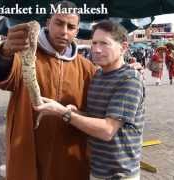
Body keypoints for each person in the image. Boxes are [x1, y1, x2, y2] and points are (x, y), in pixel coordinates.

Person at [0, 1, 96, 179]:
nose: (64, 31)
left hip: (68, 154)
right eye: (59, 23)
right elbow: (0, 79)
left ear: (77, 31)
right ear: (48, 23)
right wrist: (5, 53)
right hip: (27, 147)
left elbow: (96, 114)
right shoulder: (24, 54)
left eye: (71, 26)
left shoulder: (87, 69)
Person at [35, 20, 145, 180]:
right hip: (97, 169)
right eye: (94, 43)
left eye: (105, 43)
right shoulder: (98, 76)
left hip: (119, 174)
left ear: (124, 47)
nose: (97, 49)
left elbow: (107, 130)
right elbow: (99, 118)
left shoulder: (129, 80)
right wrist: (78, 112)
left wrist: (64, 113)